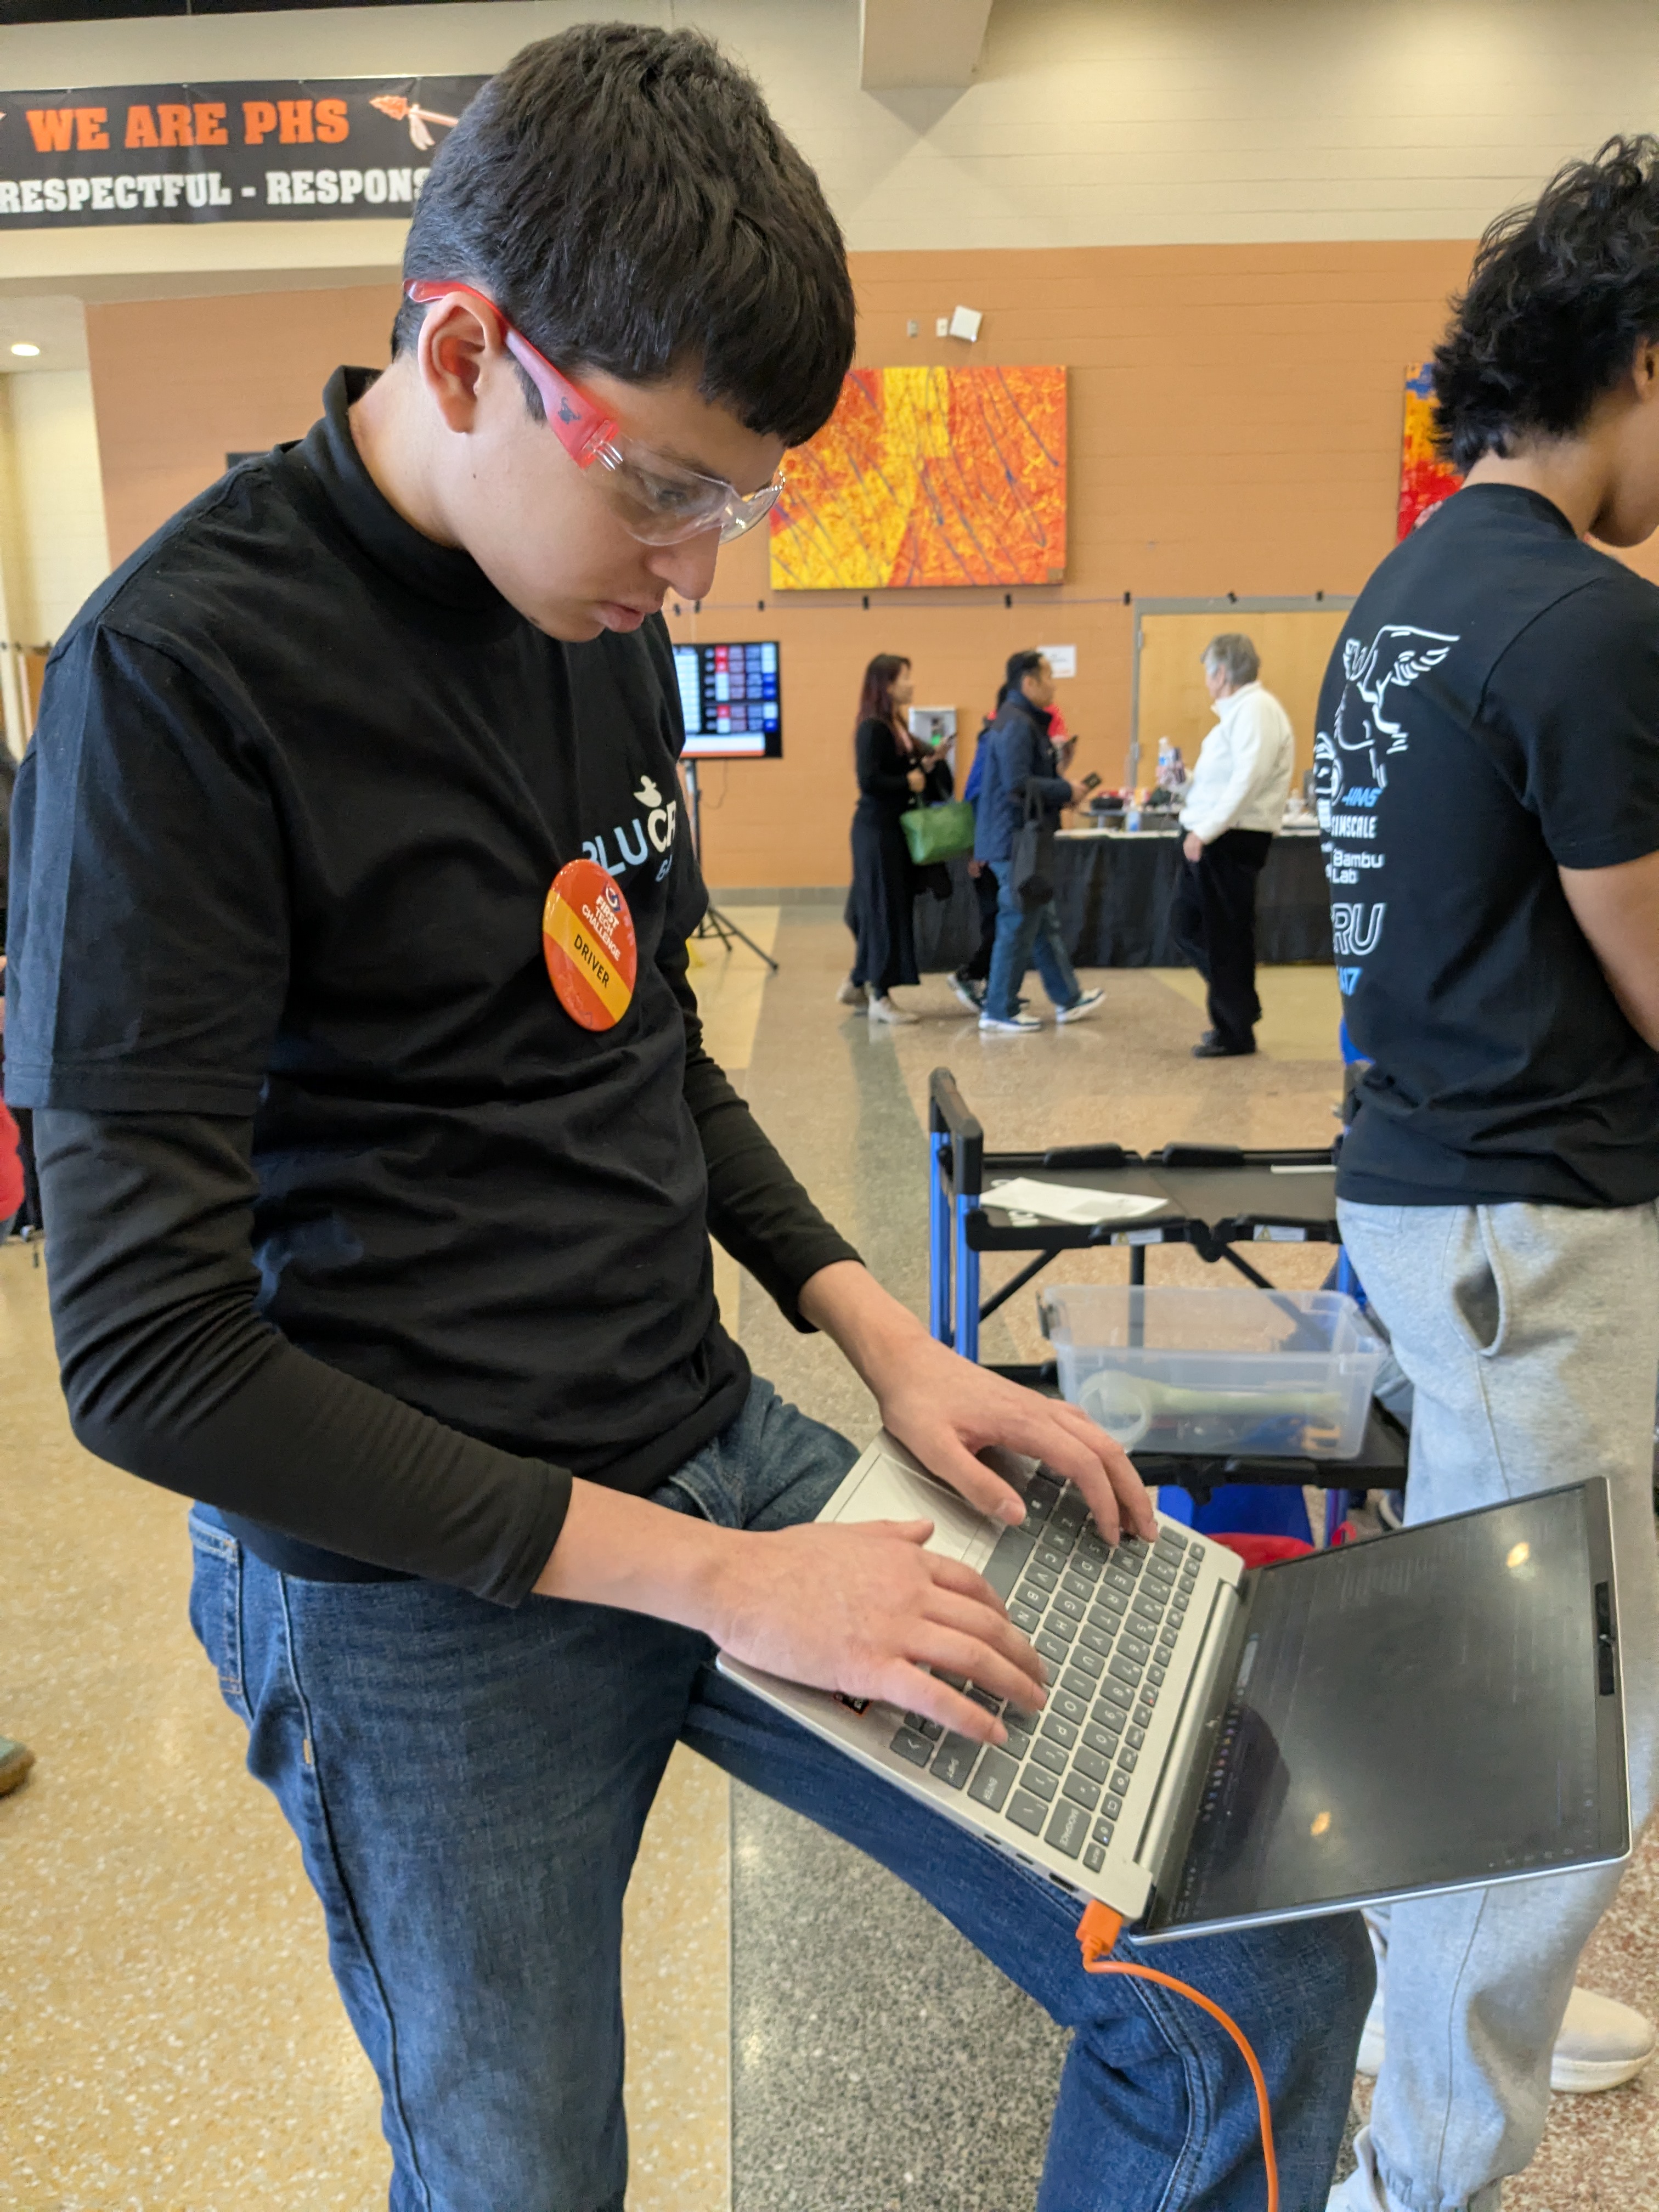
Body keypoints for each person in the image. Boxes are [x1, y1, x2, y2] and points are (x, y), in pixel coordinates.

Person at [5, 30, 1371, 2210]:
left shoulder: (599, 610)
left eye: (741, 501)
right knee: (523, 2174)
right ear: (467, 353)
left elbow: (642, 1043)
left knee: (1255, 1945)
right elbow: (147, 1359)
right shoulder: (179, 679)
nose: (699, 573)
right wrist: (724, 1584)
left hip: (704, 1441)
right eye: (666, 486)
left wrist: (882, 1334)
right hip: (411, 1595)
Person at [1319, 137, 1659, 2212]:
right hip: (1524, 1229)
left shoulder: (1408, 591)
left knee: (1511, 1673)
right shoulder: (1585, 623)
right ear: (1641, 362)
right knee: (1555, 1733)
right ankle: (1419, 2166)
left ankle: (1444, 2008)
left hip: (1447, 1203)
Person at [1170, 634, 1295, 1059]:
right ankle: (1238, 1005)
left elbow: (1248, 779)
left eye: (1208, 672)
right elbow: (1220, 783)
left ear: (1221, 673)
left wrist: (1206, 831)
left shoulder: (1256, 710)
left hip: (1229, 839)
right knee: (1188, 927)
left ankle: (1235, 1027)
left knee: (1223, 935)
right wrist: (1182, 783)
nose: (1206, 681)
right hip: (1214, 834)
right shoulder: (1236, 714)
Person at [974, 650, 1105, 1034]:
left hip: (1021, 838)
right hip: (1014, 840)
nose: (1054, 686)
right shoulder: (1016, 723)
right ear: (1028, 682)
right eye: (1048, 677)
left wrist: (1062, 788)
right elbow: (1017, 783)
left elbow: (1029, 780)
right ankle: (999, 1008)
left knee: (1041, 919)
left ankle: (1068, 997)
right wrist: (1065, 789)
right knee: (1018, 920)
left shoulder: (1022, 720)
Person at [839, 652, 950, 1024]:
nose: (911, 684)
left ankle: (858, 981)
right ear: (887, 685)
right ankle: (880, 996)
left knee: (876, 907)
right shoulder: (873, 728)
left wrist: (927, 765)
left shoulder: (895, 725)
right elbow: (869, 779)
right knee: (881, 911)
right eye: (905, 678)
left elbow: (902, 769)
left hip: (891, 830)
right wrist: (907, 781)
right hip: (876, 831)